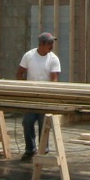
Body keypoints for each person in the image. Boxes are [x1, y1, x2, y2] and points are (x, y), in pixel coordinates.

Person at [15, 31, 62, 161]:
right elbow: (19, 73)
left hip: (45, 97)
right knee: (27, 122)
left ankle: (43, 149)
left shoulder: (53, 59)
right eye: (49, 43)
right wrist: (24, 88)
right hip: (31, 96)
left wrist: (49, 93)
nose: (51, 46)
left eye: (52, 43)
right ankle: (30, 150)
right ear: (42, 44)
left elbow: (54, 79)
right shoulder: (29, 56)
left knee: (43, 123)